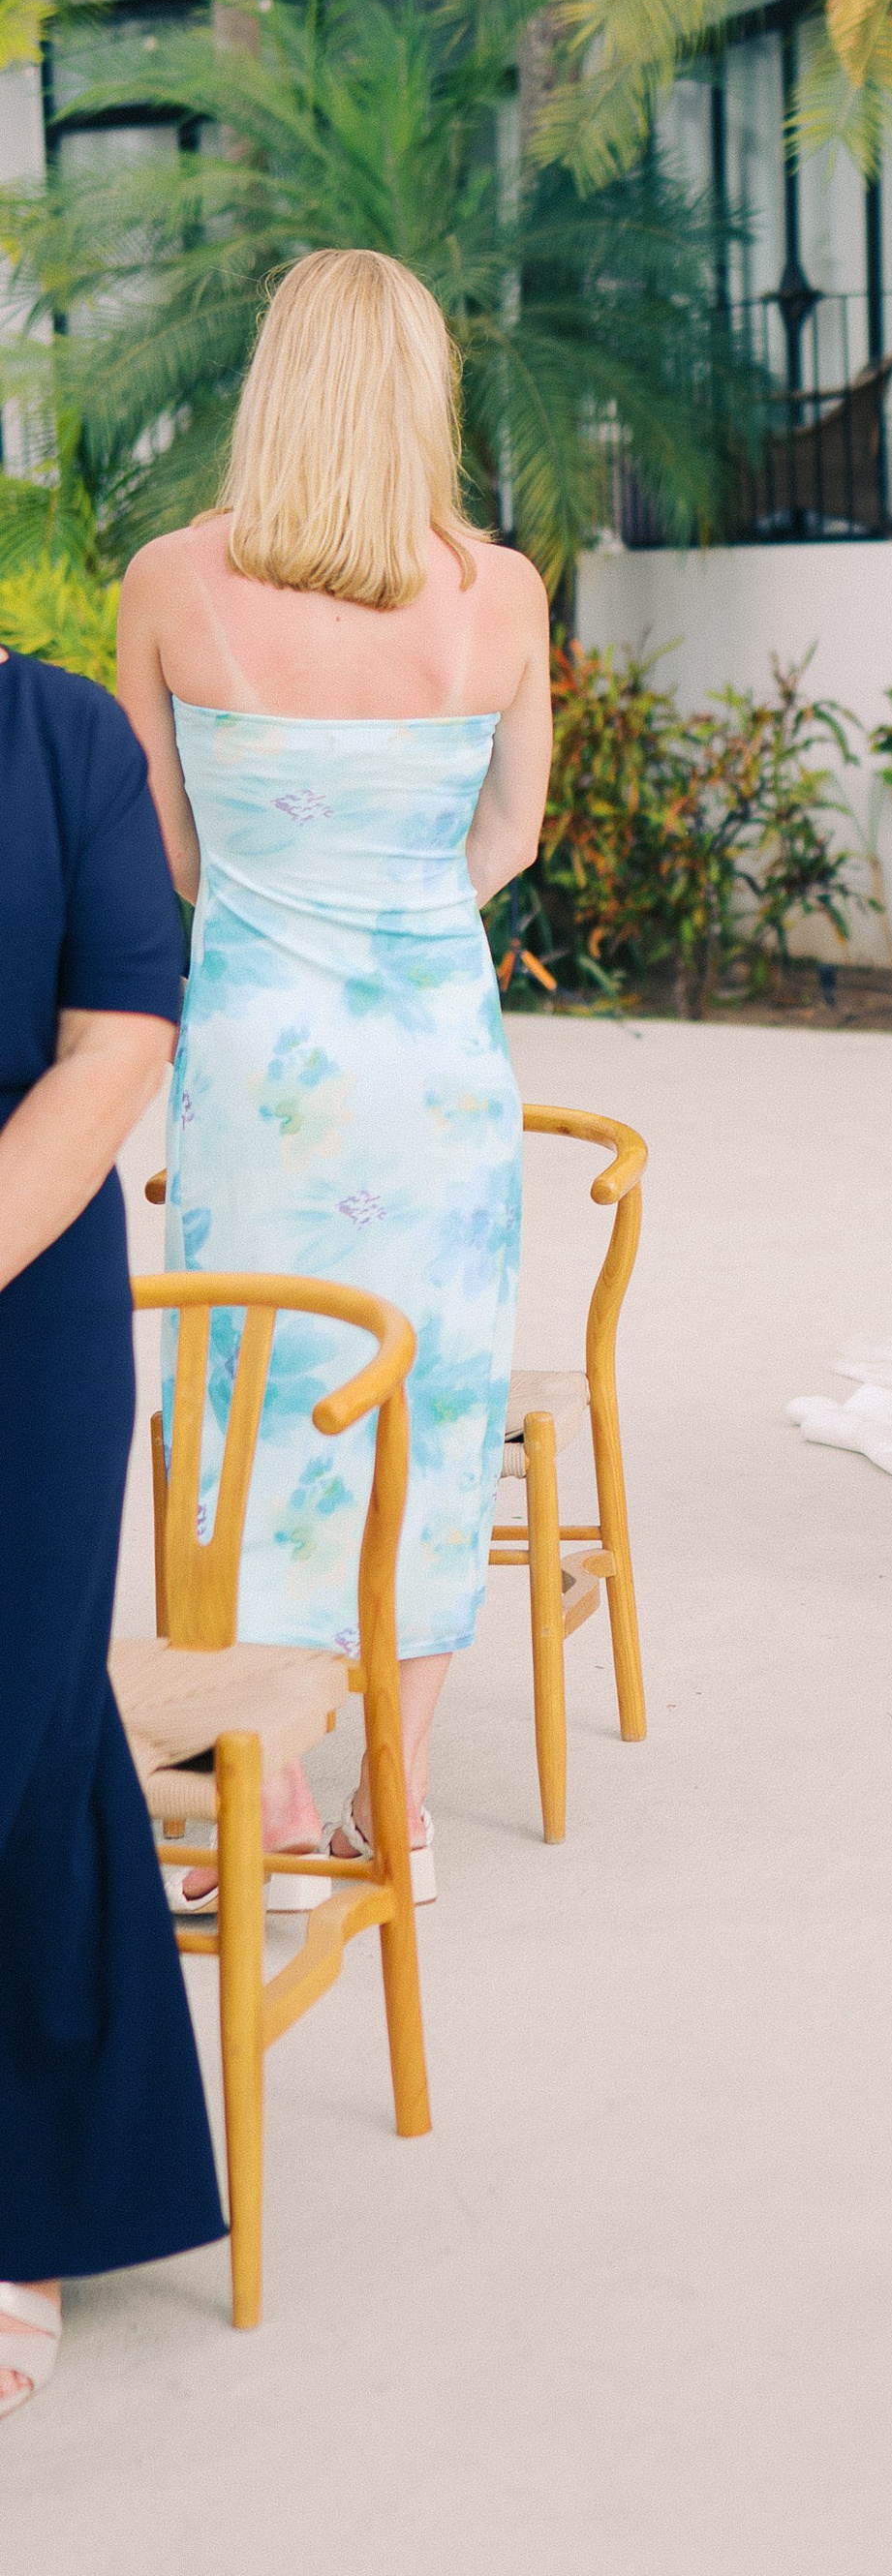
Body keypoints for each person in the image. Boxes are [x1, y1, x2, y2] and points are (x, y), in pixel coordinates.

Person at [116, 248, 550, 1904]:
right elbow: (510, 832)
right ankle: (401, 1803)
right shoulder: (496, 592)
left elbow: (156, 841)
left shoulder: (173, 580)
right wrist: (408, 916)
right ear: (425, 394)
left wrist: (268, 911)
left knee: (243, 1404)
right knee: (429, 1407)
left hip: (256, 1053)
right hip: (433, 1055)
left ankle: (272, 1795)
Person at [1, 645, 225, 2413]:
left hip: (24, 1299)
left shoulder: (60, 732)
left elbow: (121, 1032)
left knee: (16, 1720)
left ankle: (25, 2201)